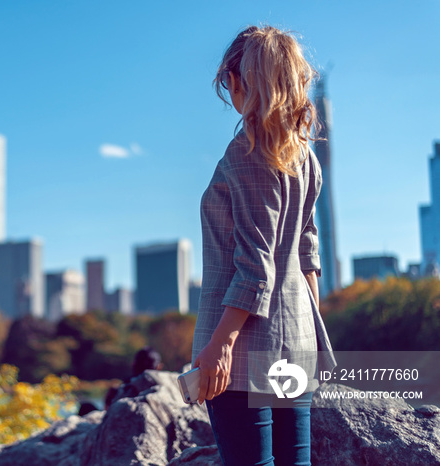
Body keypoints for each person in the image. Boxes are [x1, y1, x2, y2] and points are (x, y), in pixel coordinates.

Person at [191, 26, 336, 466]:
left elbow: (255, 266)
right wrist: (306, 329)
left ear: (240, 80)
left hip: (245, 348)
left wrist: (220, 344)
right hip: (295, 338)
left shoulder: (247, 152)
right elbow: (307, 250)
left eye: (227, 81)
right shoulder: (303, 154)